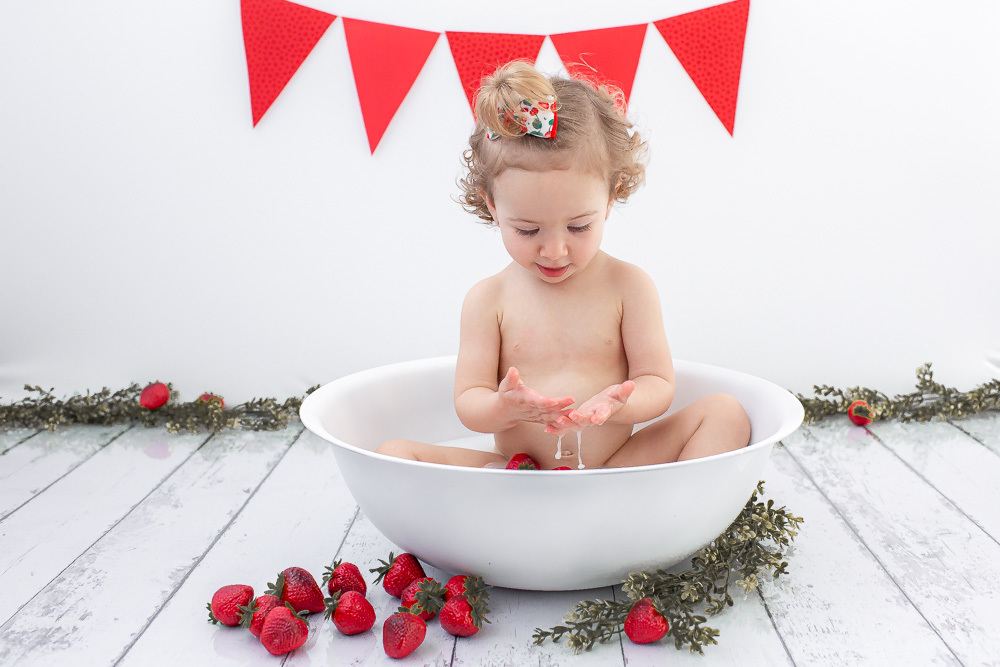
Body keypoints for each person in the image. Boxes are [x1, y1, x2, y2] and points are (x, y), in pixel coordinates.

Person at [377, 61, 750, 469]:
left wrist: (618, 405)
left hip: (615, 469)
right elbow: (470, 402)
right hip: (515, 472)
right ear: (492, 206)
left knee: (724, 413)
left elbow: (658, 383)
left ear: (611, 198)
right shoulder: (489, 299)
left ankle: (667, 514)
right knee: (393, 455)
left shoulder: (629, 287)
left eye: (578, 226)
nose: (554, 251)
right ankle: (509, 504)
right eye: (527, 230)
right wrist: (505, 407)